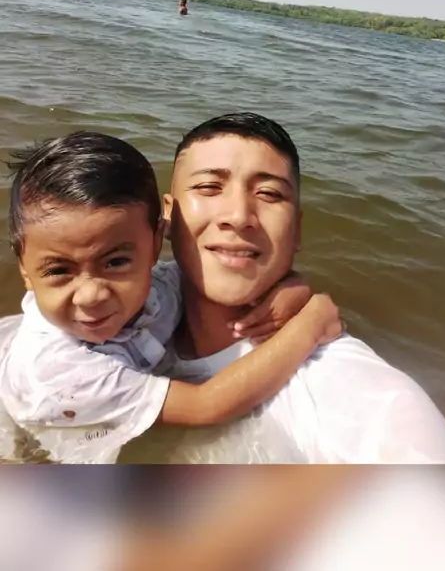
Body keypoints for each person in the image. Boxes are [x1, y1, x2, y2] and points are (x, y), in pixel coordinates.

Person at [0, 131, 341, 464]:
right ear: (25, 271)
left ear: (155, 242)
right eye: (59, 271)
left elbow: (228, 273)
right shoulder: (57, 371)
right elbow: (205, 406)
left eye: (116, 262)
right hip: (35, 436)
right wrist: (311, 324)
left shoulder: (160, 286)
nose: (91, 296)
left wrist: (293, 286)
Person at [161, 112, 445, 463]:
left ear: (297, 229)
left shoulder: (370, 403)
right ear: (166, 216)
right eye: (209, 188)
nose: (239, 215)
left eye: (269, 194)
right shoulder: (125, 317)